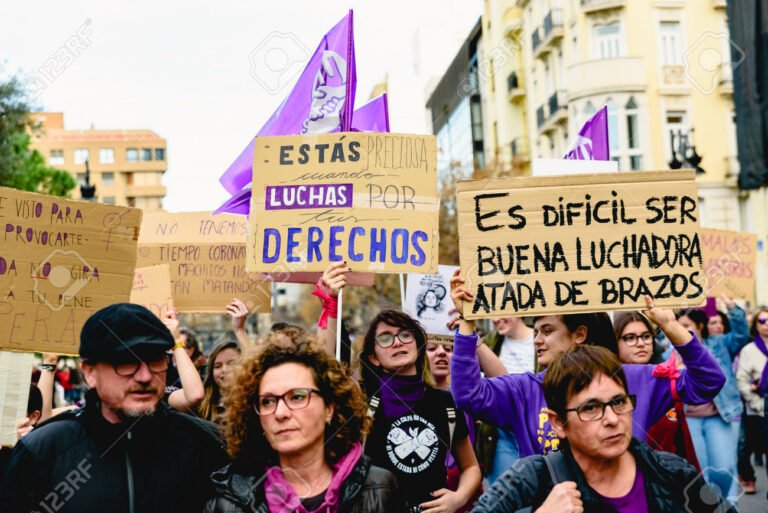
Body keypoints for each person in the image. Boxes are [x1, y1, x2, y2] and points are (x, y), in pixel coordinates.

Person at [449, 269, 726, 458]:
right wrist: (467, 322)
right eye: (536, 332)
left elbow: (708, 381)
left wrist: (670, 325)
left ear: (579, 334)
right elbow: (468, 395)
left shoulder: (635, 379)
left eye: (547, 331)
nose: (537, 341)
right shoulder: (524, 389)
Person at [0, 303, 229, 513]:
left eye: (155, 359)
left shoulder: (204, 443)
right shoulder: (43, 451)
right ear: (90, 372)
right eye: (126, 361)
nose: (144, 376)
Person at [473, 345, 736, 513]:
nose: (611, 419)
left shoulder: (671, 471)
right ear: (558, 423)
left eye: (619, 402)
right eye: (590, 408)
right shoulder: (531, 478)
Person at [204, 331, 403, 513]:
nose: (280, 413)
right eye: (268, 401)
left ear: (329, 408)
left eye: (297, 397)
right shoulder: (229, 502)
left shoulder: (378, 488)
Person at [360, 309, 482, 513]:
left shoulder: (446, 402)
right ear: (373, 358)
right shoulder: (362, 403)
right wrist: (331, 307)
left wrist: (458, 498)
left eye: (405, 334)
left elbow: (471, 467)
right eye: (385, 338)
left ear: (417, 344)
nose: (397, 342)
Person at [676, 297, 750, 504]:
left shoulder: (718, 343)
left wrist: (733, 308)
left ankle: (727, 505)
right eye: (677, 326)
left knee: (724, 468)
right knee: (699, 473)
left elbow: (741, 335)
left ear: (699, 326)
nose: (680, 331)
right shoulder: (670, 354)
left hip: (719, 415)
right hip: (688, 418)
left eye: (686, 326)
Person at [614, 312, 699, 469]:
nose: (641, 343)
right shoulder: (606, 386)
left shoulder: (665, 380)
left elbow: (683, 444)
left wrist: (670, 325)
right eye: (630, 338)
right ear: (614, 344)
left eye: (646, 336)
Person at [482, 316, 535, 485]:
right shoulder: (489, 342)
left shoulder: (541, 338)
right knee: (503, 487)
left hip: (536, 426)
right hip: (501, 430)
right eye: (491, 314)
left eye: (500, 312)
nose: (495, 319)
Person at [736, 306, 768, 497]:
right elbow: (741, 380)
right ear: (755, 325)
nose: (766, 324)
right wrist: (756, 402)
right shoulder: (749, 350)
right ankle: (748, 477)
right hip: (758, 407)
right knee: (748, 446)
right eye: (762, 321)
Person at [199, 341, 241, 424]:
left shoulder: (253, 399)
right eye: (218, 366)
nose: (224, 370)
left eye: (231, 363)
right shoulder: (203, 404)